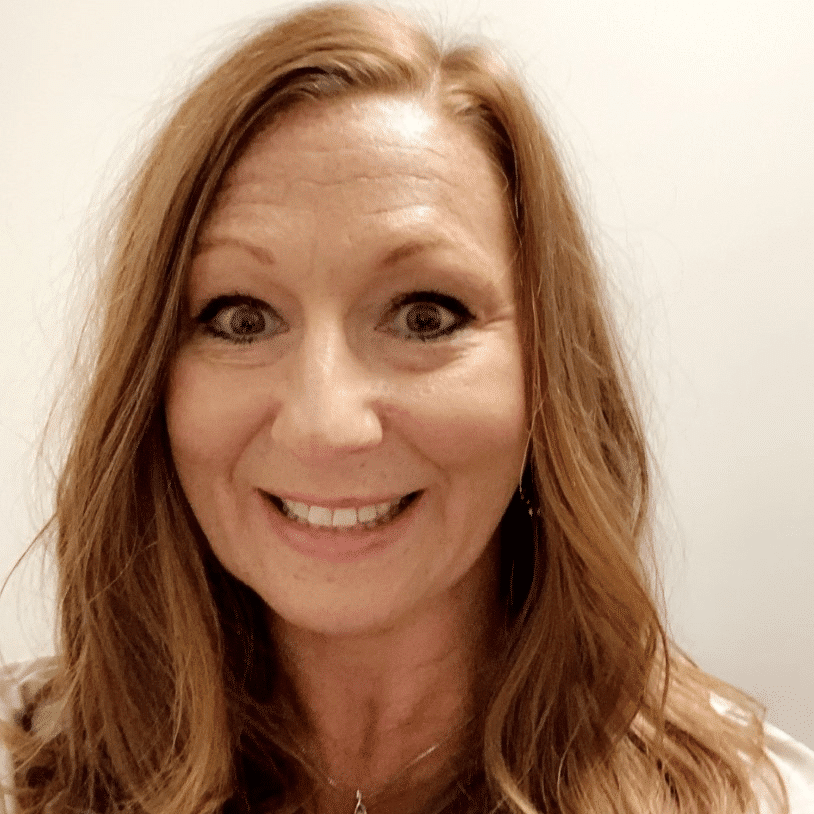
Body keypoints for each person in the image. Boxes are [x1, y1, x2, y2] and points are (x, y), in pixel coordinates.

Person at [1, 3, 812, 814]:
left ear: (546, 376)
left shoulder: (754, 799)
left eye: (425, 317)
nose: (326, 424)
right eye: (242, 319)